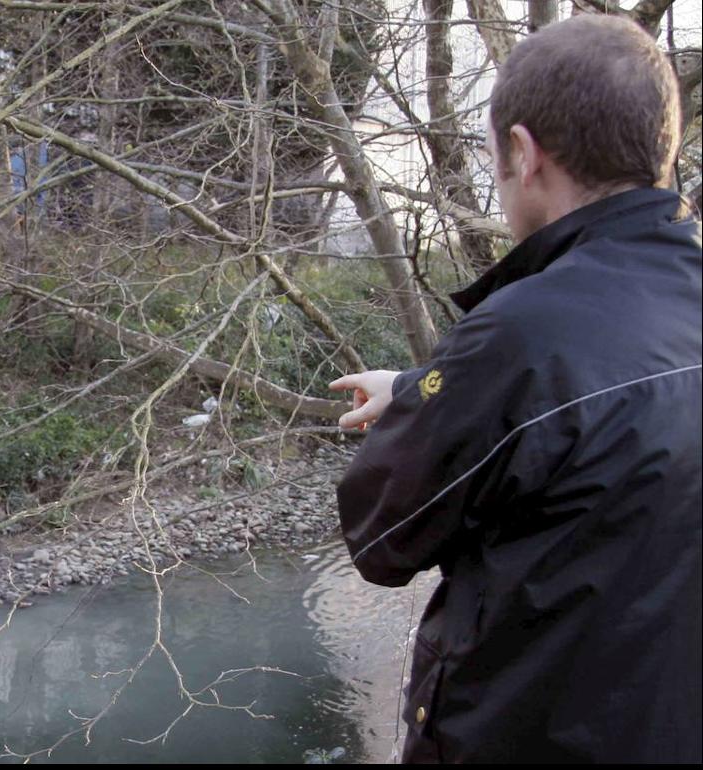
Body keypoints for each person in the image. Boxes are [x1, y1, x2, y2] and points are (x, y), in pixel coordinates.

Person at [328, 14, 701, 763]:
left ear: (525, 155)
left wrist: (446, 392)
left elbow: (382, 535)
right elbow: (618, 399)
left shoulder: (522, 335)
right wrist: (415, 389)